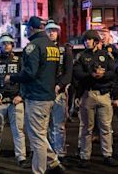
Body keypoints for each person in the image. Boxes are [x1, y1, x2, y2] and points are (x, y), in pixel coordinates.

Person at [7, 16, 63, 174]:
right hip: (48, 96)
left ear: (31, 28)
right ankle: (53, 162)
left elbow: (29, 73)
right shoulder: (52, 46)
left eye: (27, 27)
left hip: (36, 96)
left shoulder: (33, 46)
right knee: (40, 134)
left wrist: (12, 77)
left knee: (36, 138)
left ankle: (39, 171)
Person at [0, 33, 30, 170]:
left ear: (12, 45)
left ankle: (21, 158)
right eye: (3, 44)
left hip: (15, 101)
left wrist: (21, 95)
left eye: (8, 43)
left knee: (18, 131)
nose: (6, 46)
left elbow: (26, 79)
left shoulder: (19, 61)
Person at [73, 30, 118, 168]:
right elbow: (77, 74)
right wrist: (92, 75)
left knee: (106, 127)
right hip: (88, 95)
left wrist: (102, 76)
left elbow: (113, 73)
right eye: (85, 40)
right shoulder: (81, 56)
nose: (87, 42)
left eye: (90, 40)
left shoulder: (105, 55)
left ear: (96, 41)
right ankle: (85, 157)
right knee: (87, 128)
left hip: (104, 94)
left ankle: (107, 155)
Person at [45, 20, 73, 163]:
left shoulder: (65, 49)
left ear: (58, 33)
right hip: (44, 93)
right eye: (49, 30)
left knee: (59, 126)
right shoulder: (41, 49)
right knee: (46, 126)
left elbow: (68, 74)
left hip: (59, 93)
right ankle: (50, 156)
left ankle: (61, 154)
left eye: (54, 30)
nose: (51, 33)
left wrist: (59, 86)